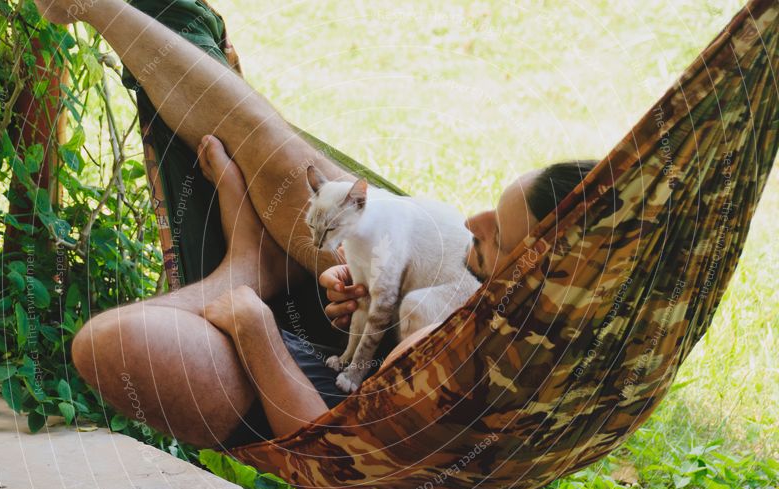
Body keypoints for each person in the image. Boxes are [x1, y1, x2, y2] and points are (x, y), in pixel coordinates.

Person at [34, 0, 596, 449]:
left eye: (495, 233)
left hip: (300, 389)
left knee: (106, 344)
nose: (475, 219)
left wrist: (257, 333)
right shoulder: (579, 297)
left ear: (529, 275)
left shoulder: (452, 360)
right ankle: (124, 10)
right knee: (272, 153)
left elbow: (338, 452)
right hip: (413, 297)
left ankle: (246, 270)